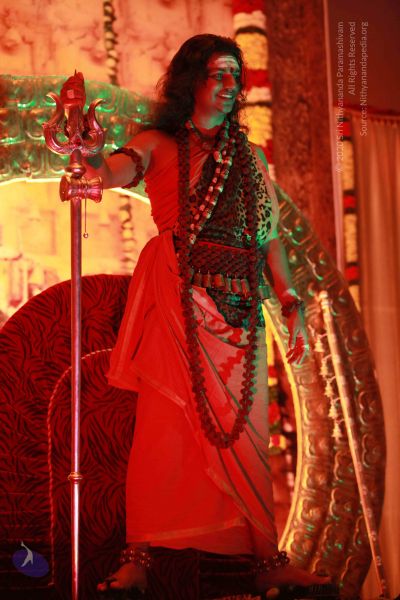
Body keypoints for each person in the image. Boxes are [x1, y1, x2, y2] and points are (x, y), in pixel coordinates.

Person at [62, 34, 329, 597]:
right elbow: (118, 170)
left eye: (235, 75)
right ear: (191, 81)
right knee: (164, 433)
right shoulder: (158, 143)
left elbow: (270, 239)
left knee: (248, 440)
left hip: (241, 310)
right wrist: (91, 163)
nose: (230, 85)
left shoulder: (252, 159)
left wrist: (290, 302)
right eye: (218, 74)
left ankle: (267, 560)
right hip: (177, 299)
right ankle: (138, 559)